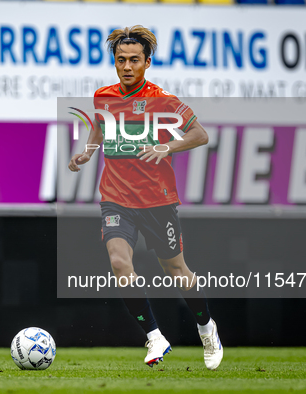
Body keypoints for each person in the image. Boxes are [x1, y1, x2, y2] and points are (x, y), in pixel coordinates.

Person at [68, 26, 223, 370]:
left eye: (134, 60)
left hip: (158, 201)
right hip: (116, 198)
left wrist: (165, 146)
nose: (126, 66)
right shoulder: (103, 96)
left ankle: (206, 328)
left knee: (177, 271)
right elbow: (99, 125)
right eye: (120, 60)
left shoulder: (162, 100)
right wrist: (88, 153)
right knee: (120, 262)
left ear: (147, 62)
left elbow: (200, 134)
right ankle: (154, 336)